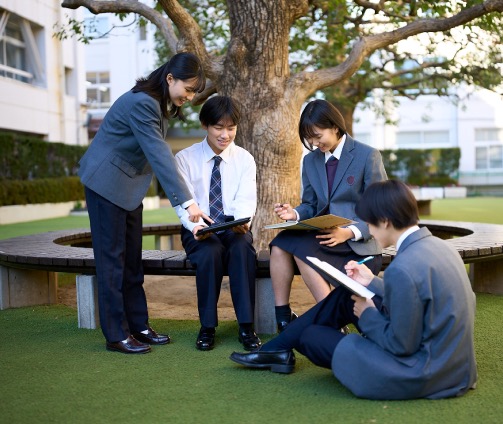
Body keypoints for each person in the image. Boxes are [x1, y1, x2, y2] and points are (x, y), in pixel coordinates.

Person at [230, 180, 478, 400]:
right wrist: (371, 280)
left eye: (370, 222)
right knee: (347, 294)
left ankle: (278, 349)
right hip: (454, 366)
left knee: (312, 337)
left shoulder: (403, 267)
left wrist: (367, 315)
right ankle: (277, 350)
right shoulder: (439, 247)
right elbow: (418, 293)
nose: (368, 229)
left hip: (422, 370)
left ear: (386, 221)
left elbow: (402, 346)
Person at [79, 52, 208, 354]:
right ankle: (116, 334)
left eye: (193, 92)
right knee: (112, 262)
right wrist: (188, 204)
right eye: (187, 89)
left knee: (132, 261)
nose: (189, 97)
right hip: (105, 184)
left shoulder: (157, 104)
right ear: (170, 79)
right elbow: (159, 154)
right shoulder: (142, 103)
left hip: (129, 188)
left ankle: (138, 325)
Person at [270, 99, 387, 332]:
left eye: (317, 135)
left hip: (357, 243)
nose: (314, 143)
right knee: (280, 244)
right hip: (324, 238)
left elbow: (382, 210)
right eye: (309, 138)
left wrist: (349, 232)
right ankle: (282, 316)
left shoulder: (368, 156)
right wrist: (293, 212)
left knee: (299, 251)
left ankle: (331, 321)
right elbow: (311, 204)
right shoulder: (310, 161)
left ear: (335, 126)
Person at [174, 96, 261, 352]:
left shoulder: (245, 159)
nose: (225, 135)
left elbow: (246, 198)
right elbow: (182, 202)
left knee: (242, 249)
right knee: (210, 252)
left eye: (231, 128)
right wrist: (195, 226)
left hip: (234, 227)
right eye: (218, 127)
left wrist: (241, 221)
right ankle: (207, 326)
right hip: (199, 230)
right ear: (205, 125)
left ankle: (246, 325)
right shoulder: (185, 158)